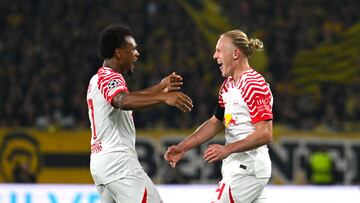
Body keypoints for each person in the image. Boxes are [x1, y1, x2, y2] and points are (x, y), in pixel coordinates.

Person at [87, 24, 193, 203]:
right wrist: (162, 98)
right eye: (133, 49)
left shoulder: (98, 79)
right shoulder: (110, 76)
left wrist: (160, 88)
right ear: (119, 52)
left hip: (102, 163)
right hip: (119, 163)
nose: (137, 54)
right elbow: (122, 101)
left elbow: (127, 96)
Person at [165, 30, 273, 203]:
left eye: (219, 50)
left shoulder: (254, 85)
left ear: (235, 53)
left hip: (247, 168)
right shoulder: (228, 86)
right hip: (239, 167)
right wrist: (183, 147)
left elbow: (265, 133)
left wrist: (227, 149)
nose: (215, 56)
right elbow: (216, 123)